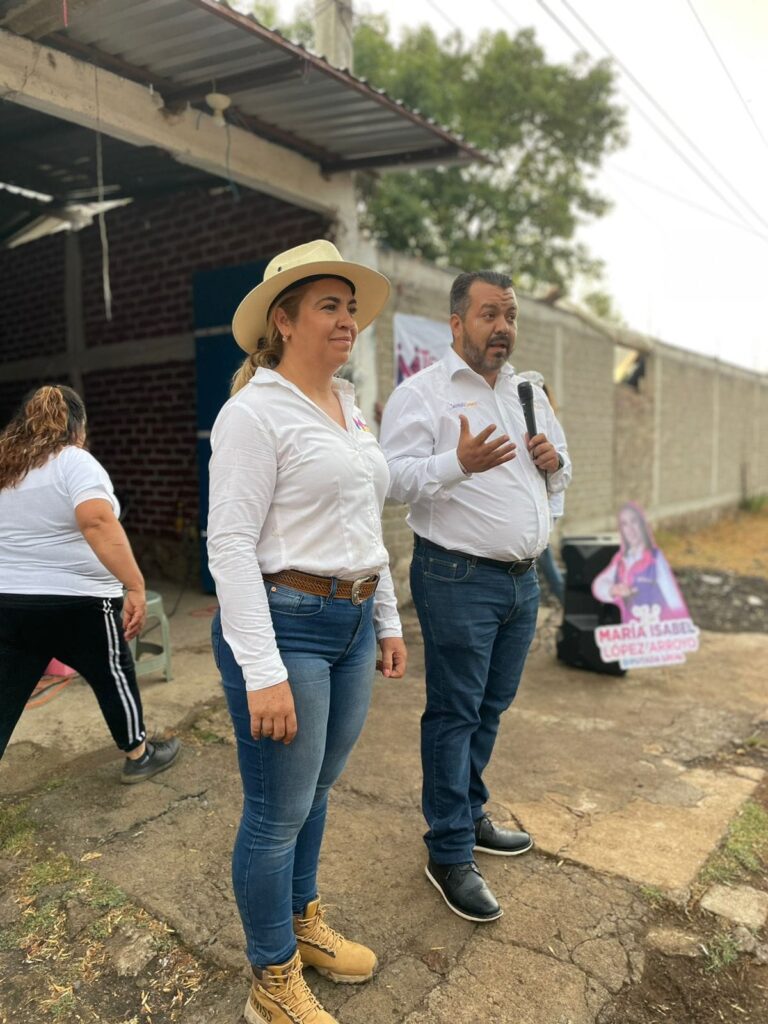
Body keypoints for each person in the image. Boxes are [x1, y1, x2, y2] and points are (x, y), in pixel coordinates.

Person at [207, 239, 407, 1024]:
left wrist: (385, 617)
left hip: (353, 621)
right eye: (329, 305)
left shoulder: (349, 406)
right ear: (283, 322)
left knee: (315, 790)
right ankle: (271, 978)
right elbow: (228, 545)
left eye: (350, 305)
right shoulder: (253, 413)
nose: (347, 319)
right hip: (286, 627)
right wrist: (261, 670)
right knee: (275, 811)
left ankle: (301, 922)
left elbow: (363, 518)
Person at [380, 269, 571, 923]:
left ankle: (469, 812)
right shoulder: (422, 394)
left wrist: (554, 464)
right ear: (456, 322)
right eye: (490, 314)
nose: (504, 327)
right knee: (456, 713)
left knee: (491, 707)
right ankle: (449, 850)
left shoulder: (527, 391)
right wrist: (456, 464)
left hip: (523, 581)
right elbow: (391, 481)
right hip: (458, 578)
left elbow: (562, 468)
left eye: (510, 315)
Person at [0, 384, 180, 781]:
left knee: (6, 688)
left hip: (12, 602)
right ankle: (139, 754)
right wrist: (133, 584)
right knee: (112, 672)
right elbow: (97, 521)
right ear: (78, 427)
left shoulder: (5, 467)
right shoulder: (73, 463)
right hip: (79, 602)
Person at [592, 501, 687, 621]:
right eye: (624, 524)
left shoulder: (655, 558)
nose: (630, 529)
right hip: (630, 629)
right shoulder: (621, 559)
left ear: (642, 525)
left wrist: (681, 629)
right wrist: (612, 589)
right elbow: (599, 584)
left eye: (634, 521)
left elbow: (672, 597)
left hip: (655, 628)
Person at [519, 370, 566, 604]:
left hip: (546, 509)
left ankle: (566, 600)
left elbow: (561, 470)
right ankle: (564, 598)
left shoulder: (546, 425)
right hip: (544, 508)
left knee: (542, 562)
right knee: (541, 563)